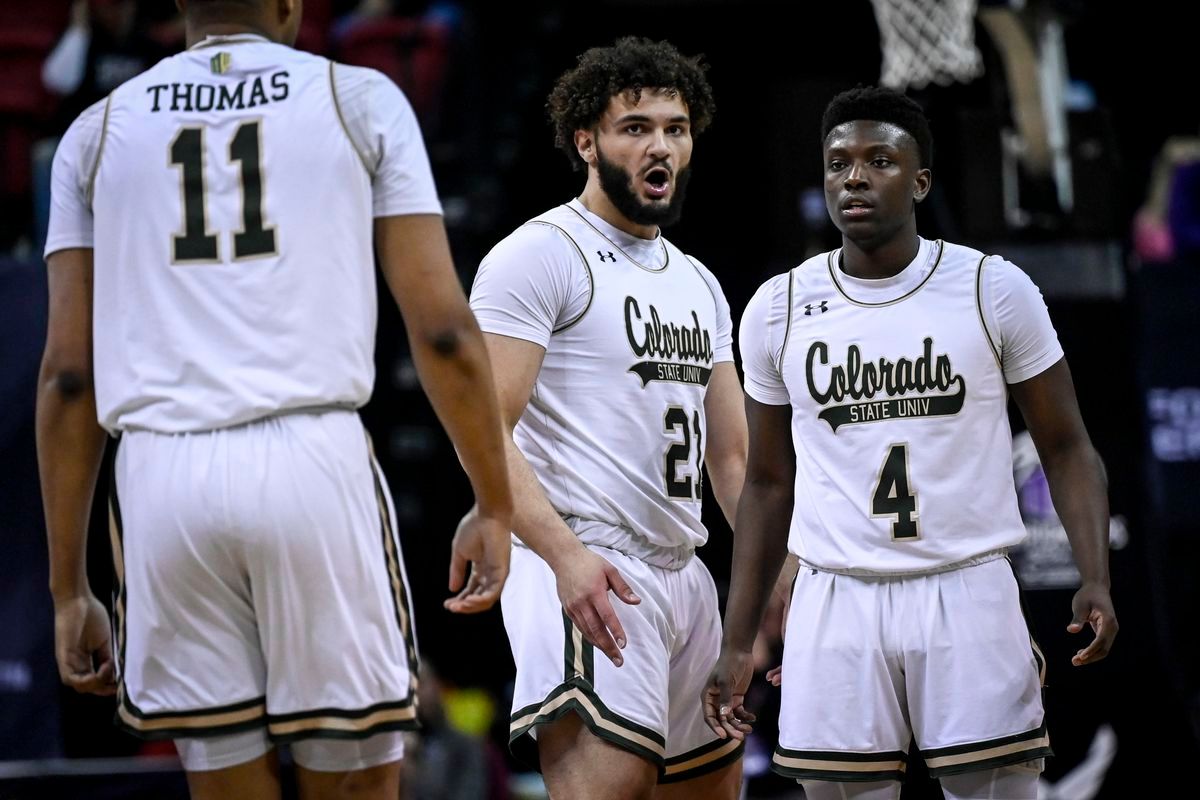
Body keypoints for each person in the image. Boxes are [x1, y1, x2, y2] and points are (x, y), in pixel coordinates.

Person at [36, 0, 513, 797]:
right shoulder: (356, 98)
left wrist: (66, 590)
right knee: (358, 780)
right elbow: (442, 332)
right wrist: (493, 500)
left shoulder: (96, 129)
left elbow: (67, 378)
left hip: (161, 480)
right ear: (292, 6)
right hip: (309, 458)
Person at [704, 85, 1118, 800]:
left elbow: (1066, 445)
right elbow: (768, 483)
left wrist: (1096, 574)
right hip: (836, 597)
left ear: (921, 180)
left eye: (878, 160)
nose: (854, 178)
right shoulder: (778, 306)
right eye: (838, 163)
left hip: (967, 584)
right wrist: (739, 637)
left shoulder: (994, 288)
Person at [468, 36, 748, 800]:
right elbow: (483, 426)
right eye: (636, 127)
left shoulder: (698, 281)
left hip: (684, 572)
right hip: (586, 555)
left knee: (712, 791)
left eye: (676, 128)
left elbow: (731, 460)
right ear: (586, 141)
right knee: (610, 786)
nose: (660, 145)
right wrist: (562, 556)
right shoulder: (540, 254)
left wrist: (769, 573)